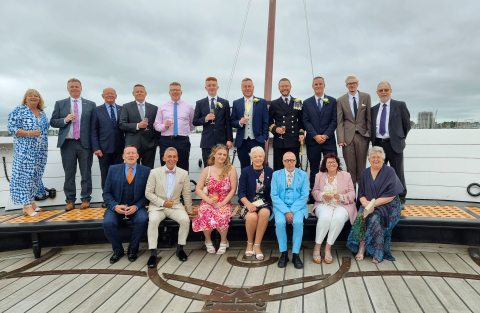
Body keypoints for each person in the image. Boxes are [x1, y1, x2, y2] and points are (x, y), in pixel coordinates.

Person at [347, 146, 404, 263]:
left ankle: (378, 250)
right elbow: (361, 193)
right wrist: (366, 203)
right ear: (369, 159)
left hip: (388, 205)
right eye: (373, 157)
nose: (376, 159)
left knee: (375, 218)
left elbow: (392, 194)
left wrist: (374, 204)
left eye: (378, 157)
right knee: (361, 216)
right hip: (368, 204)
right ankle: (361, 247)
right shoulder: (365, 173)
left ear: (383, 158)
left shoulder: (390, 171)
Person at [50, 78, 96, 211]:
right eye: (72, 87)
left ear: (81, 88)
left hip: (85, 143)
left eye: (77, 87)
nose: (74, 89)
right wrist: (65, 119)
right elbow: (53, 121)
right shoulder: (60, 104)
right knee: (69, 173)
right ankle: (70, 200)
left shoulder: (91, 104)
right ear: (68, 89)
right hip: (68, 143)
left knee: (86, 173)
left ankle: (86, 199)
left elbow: (94, 125)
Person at [145, 147, 193, 266]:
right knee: (153, 220)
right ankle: (153, 253)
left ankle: (180, 249)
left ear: (177, 158)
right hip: (157, 206)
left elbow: (186, 193)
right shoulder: (154, 172)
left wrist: (189, 209)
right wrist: (162, 203)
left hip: (175, 205)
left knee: (185, 220)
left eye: (174, 156)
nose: (172, 159)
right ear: (164, 158)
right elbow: (148, 193)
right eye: (169, 156)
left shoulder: (183, 173)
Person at [102, 145, 150, 264]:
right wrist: (114, 206)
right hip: (116, 206)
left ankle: (133, 249)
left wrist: (137, 206)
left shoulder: (146, 171)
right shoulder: (113, 169)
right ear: (123, 156)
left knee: (143, 219)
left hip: (136, 206)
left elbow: (148, 194)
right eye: (128, 153)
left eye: (133, 153)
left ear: (138, 156)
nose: (131, 155)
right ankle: (118, 250)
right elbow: (106, 192)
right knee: (107, 223)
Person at [7, 89, 49, 216]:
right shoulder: (19, 110)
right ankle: (26, 206)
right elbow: (11, 128)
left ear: (39, 99)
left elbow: (46, 128)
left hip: (40, 149)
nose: (33, 97)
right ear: (26, 99)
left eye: (36, 95)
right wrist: (29, 133)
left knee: (35, 175)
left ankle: (31, 201)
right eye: (30, 96)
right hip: (25, 149)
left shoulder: (42, 113)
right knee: (25, 176)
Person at [371, 81, 411, 207]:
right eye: (381, 90)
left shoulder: (400, 105)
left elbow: (406, 125)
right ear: (377, 93)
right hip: (378, 144)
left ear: (390, 91)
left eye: (386, 90)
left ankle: (401, 199)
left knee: (398, 172)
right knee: (378, 172)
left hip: (394, 144)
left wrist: (398, 137)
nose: (383, 92)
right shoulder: (373, 109)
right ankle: (380, 198)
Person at [311, 153, 356, 264]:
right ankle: (317, 247)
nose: (331, 164)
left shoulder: (346, 175)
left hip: (342, 204)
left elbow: (352, 194)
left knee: (338, 219)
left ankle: (328, 248)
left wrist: (340, 197)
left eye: (333, 161)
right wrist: (322, 195)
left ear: (337, 163)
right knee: (325, 218)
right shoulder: (319, 176)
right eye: (329, 162)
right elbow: (314, 192)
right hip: (324, 204)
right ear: (325, 164)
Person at [192, 145, 238, 254]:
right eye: (220, 154)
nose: (222, 156)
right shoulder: (207, 170)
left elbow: (233, 190)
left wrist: (223, 203)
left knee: (222, 215)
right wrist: (207, 200)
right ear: (214, 155)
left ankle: (223, 241)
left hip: (224, 201)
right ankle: (208, 241)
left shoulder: (231, 169)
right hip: (209, 200)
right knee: (204, 212)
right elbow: (198, 189)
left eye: (224, 155)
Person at [271, 152, 309, 269]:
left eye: (292, 160)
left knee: (298, 222)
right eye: (287, 160)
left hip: (298, 207)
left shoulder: (303, 175)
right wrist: (285, 211)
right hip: (281, 207)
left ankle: (296, 254)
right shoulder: (276, 175)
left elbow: (304, 196)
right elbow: (274, 195)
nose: (289, 163)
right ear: (282, 162)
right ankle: (284, 253)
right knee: (280, 222)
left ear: (296, 161)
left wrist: (292, 210)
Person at [302, 76, 337, 203]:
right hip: (313, 141)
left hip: (329, 141)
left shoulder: (332, 101)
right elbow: (305, 121)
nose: (318, 86)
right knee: (314, 168)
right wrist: (315, 135)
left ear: (324, 85)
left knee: (332, 167)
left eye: (320, 84)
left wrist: (326, 135)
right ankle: (314, 195)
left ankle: (333, 193)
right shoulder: (306, 102)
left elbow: (334, 120)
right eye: (316, 84)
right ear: (312, 86)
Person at [91, 87, 125, 208]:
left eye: (112, 94)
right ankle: (107, 199)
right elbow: (93, 130)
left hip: (120, 149)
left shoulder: (122, 109)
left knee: (119, 175)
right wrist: (96, 148)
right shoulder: (96, 110)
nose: (110, 95)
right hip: (103, 149)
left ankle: (118, 199)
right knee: (105, 175)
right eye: (107, 94)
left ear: (116, 96)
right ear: (103, 96)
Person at [237, 146, 273, 260]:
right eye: (255, 156)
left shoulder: (269, 171)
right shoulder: (245, 171)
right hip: (247, 203)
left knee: (264, 214)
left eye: (260, 156)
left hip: (264, 203)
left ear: (264, 157)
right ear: (251, 158)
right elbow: (241, 193)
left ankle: (257, 245)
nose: (258, 158)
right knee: (252, 217)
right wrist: (248, 204)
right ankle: (249, 244)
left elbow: (273, 191)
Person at [337, 75, 371, 187]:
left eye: (354, 83)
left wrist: (369, 134)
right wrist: (341, 139)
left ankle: (361, 198)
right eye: (349, 83)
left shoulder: (366, 97)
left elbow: (368, 117)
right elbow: (340, 121)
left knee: (362, 167)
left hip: (362, 136)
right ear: (346, 85)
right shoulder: (341, 100)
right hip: (347, 138)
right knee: (350, 167)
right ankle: (351, 197)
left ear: (357, 84)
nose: (352, 85)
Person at [154, 82, 195, 172]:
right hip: (166, 141)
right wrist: (164, 126)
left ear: (181, 92)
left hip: (182, 141)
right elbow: (156, 125)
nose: (175, 92)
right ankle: (166, 186)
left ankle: (182, 186)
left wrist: (183, 131)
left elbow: (192, 125)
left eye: (177, 90)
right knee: (166, 167)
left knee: (183, 167)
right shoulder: (162, 107)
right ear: (169, 92)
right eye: (173, 90)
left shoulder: (189, 106)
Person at [193, 77, 233, 167]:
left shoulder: (225, 103)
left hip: (222, 141)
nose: (211, 87)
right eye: (209, 85)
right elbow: (195, 121)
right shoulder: (200, 103)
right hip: (207, 141)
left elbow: (228, 122)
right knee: (207, 167)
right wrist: (205, 119)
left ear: (217, 87)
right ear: (205, 87)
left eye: (213, 85)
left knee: (223, 167)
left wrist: (229, 139)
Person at [231, 78, 269, 169]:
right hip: (242, 141)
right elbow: (232, 121)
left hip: (258, 140)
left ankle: (260, 183)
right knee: (244, 167)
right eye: (245, 86)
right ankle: (246, 183)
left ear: (253, 88)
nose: (247, 88)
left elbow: (266, 121)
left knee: (259, 166)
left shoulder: (262, 102)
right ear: (241, 88)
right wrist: (239, 122)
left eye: (249, 86)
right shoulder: (236, 103)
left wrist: (264, 137)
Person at [268, 78, 305, 171]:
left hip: (293, 140)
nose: (284, 88)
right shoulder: (274, 103)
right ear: (279, 88)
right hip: (279, 141)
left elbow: (301, 121)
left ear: (290, 87)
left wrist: (301, 133)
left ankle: (294, 186)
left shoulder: (297, 102)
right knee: (278, 168)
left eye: (286, 86)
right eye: (282, 86)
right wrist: (275, 128)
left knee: (294, 168)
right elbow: (268, 121)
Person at [119, 84, 158, 169]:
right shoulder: (126, 107)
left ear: (145, 93)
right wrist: (137, 125)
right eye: (137, 92)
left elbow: (157, 125)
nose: (139, 93)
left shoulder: (154, 108)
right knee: (131, 170)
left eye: (141, 91)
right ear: (133, 93)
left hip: (149, 145)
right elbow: (122, 124)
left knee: (148, 170)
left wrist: (155, 142)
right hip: (132, 145)